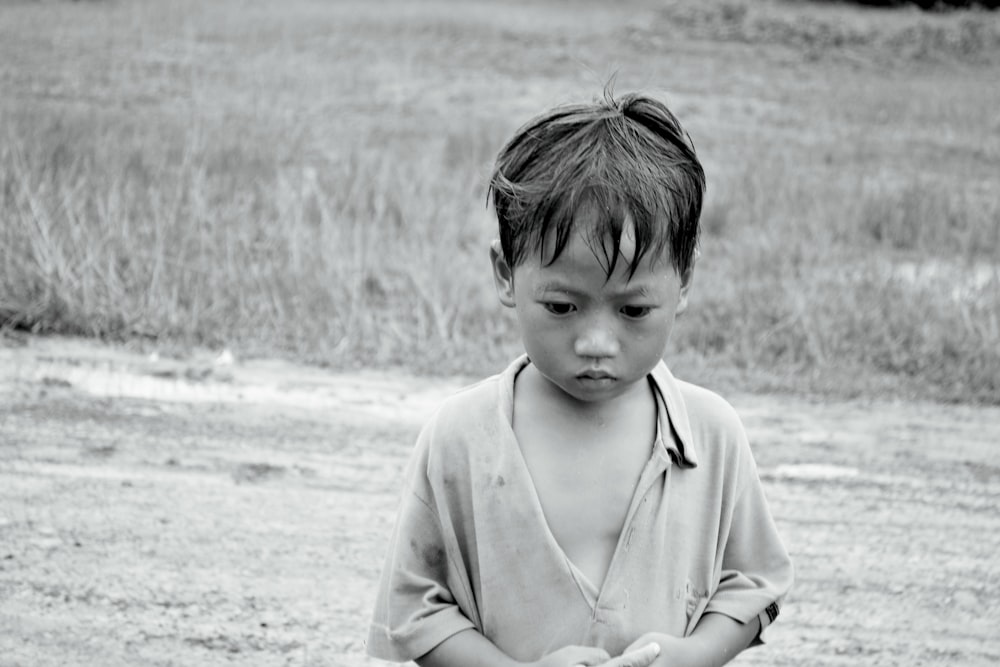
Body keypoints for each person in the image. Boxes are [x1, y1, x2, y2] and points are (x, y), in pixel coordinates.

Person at [366, 89, 794, 667]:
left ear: (684, 281)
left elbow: (752, 582)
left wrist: (696, 653)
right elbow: (414, 607)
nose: (596, 343)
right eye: (563, 307)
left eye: (633, 311)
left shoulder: (710, 434)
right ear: (505, 275)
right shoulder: (461, 438)